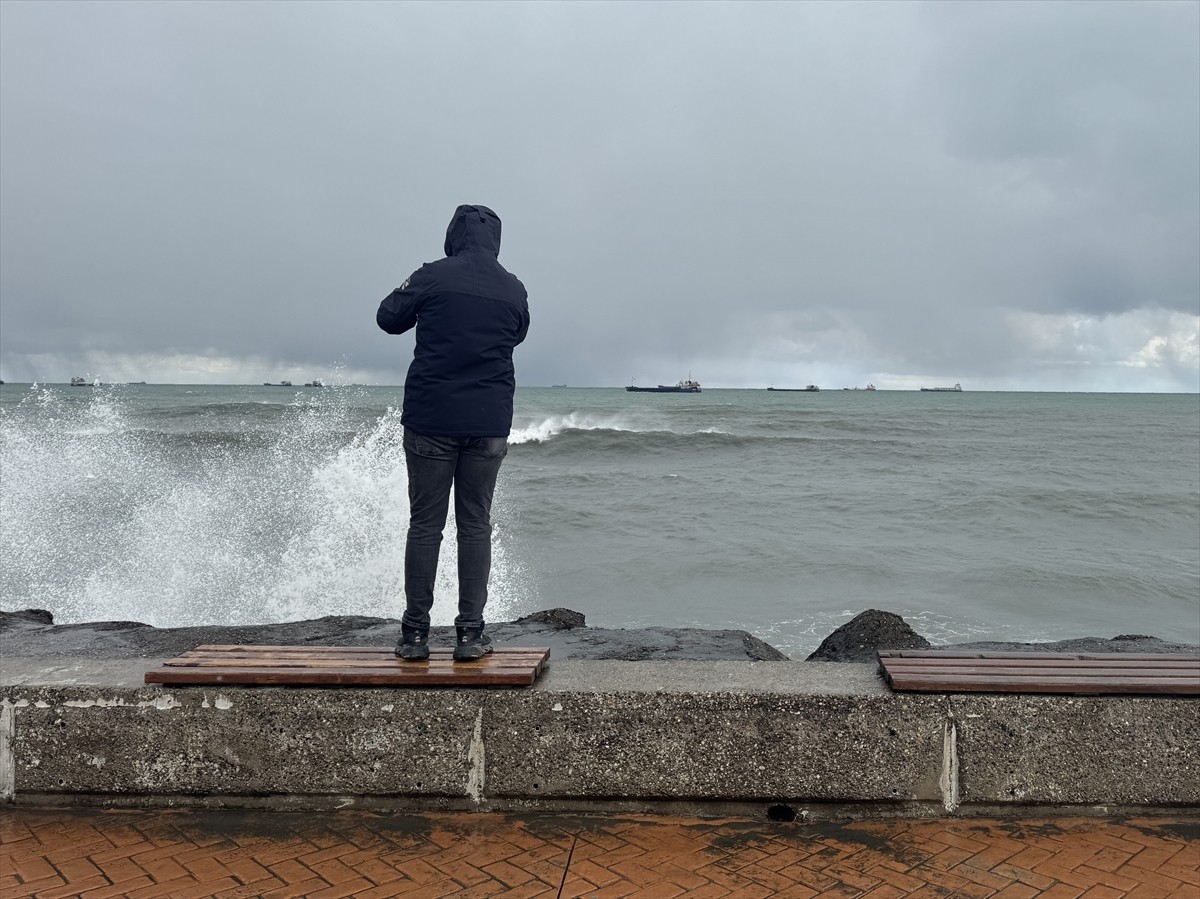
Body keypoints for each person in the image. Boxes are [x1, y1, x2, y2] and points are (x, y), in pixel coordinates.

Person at [377, 204, 529, 661]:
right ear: (495, 240)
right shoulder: (514, 287)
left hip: (432, 418)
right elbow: (517, 335)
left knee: (426, 524)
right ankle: (470, 636)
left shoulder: (432, 275)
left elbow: (388, 318)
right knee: (475, 524)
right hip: (489, 422)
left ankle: (414, 636)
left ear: (453, 235)